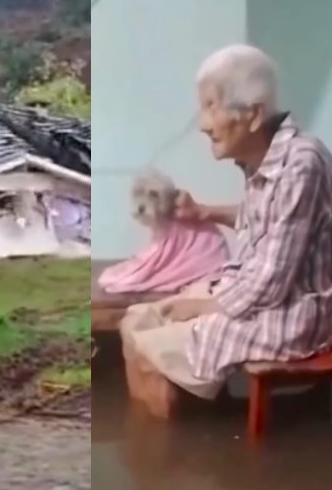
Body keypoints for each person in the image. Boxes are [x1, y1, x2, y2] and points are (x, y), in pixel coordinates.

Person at [121, 44, 332, 402]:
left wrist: (209, 307)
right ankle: (182, 427)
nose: (203, 124)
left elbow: (273, 279)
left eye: (210, 106)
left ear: (251, 115)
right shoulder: (266, 159)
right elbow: (269, 222)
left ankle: (169, 449)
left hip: (294, 313)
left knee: (148, 349)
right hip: (258, 292)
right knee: (135, 320)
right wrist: (206, 212)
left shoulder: (301, 163)